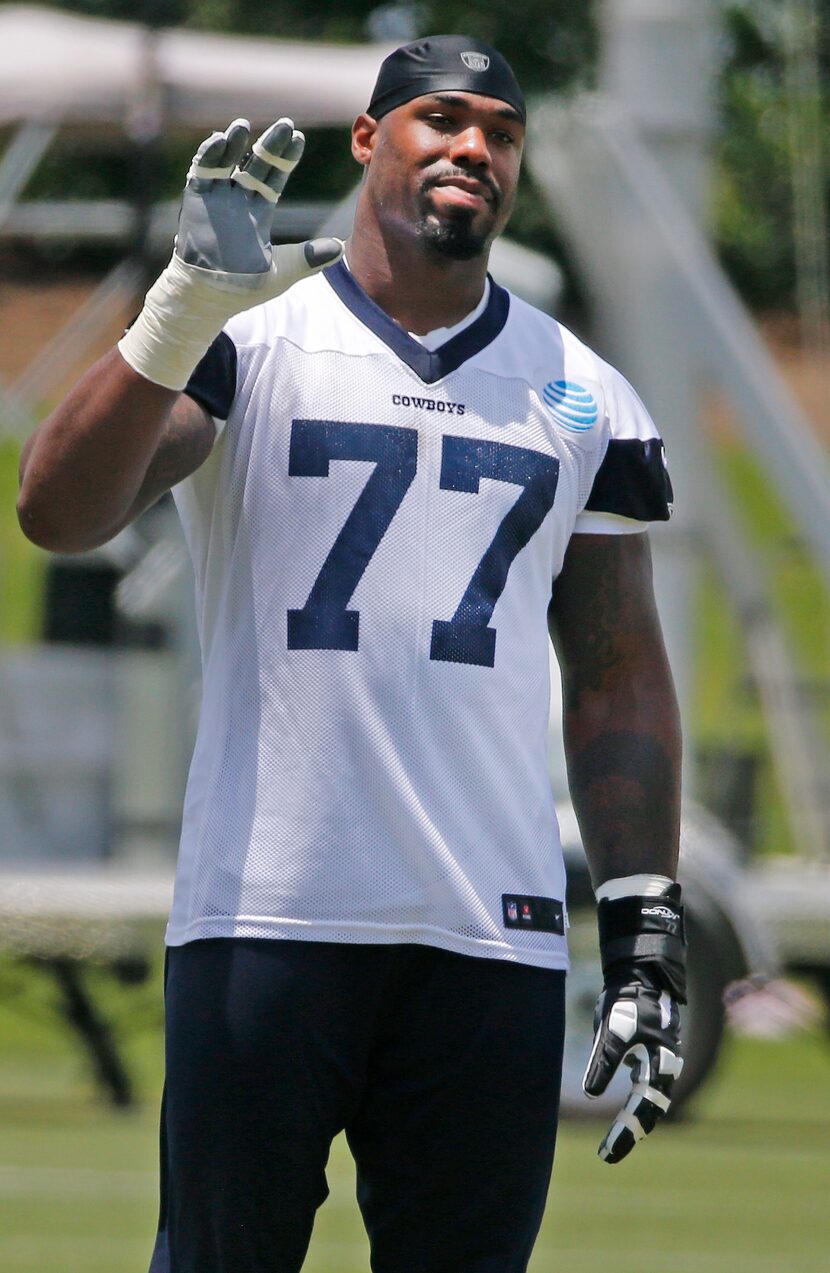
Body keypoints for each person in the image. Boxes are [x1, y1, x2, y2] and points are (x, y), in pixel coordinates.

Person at [18, 34, 686, 1273]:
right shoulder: (249, 342)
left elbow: (611, 667)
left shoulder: (582, 391)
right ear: (369, 141)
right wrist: (177, 310)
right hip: (269, 908)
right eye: (439, 117)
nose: (471, 147)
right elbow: (58, 511)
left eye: (498, 129)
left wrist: (644, 918)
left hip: (491, 926)